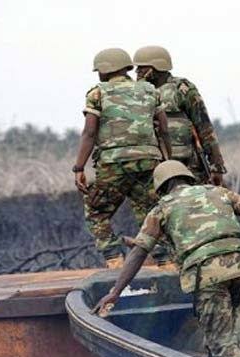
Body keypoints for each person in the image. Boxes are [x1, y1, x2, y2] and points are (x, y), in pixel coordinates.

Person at [92, 160, 240, 357]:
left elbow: (139, 252)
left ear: (161, 187)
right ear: (188, 178)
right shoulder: (218, 192)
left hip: (208, 276)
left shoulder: (161, 209)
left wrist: (115, 292)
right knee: (219, 330)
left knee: (222, 343)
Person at [73, 48, 171, 268]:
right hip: (149, 162)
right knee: (152, 214)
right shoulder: (149, 90)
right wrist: (168, 161)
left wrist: (78, 168)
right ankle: (166, 262)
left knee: (97, 212)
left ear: (105, 69)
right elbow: (164, 130)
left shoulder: (97, 93)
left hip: (112, 165)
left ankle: (114, 259)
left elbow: (89, 133)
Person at [133, 45, 226, 185]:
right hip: (151, 165)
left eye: (142, 68)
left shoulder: (181, 88)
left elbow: (204, 127)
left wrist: (216, 165)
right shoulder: (135, 92)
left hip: (187, 165)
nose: (137, 72)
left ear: (157, 67)